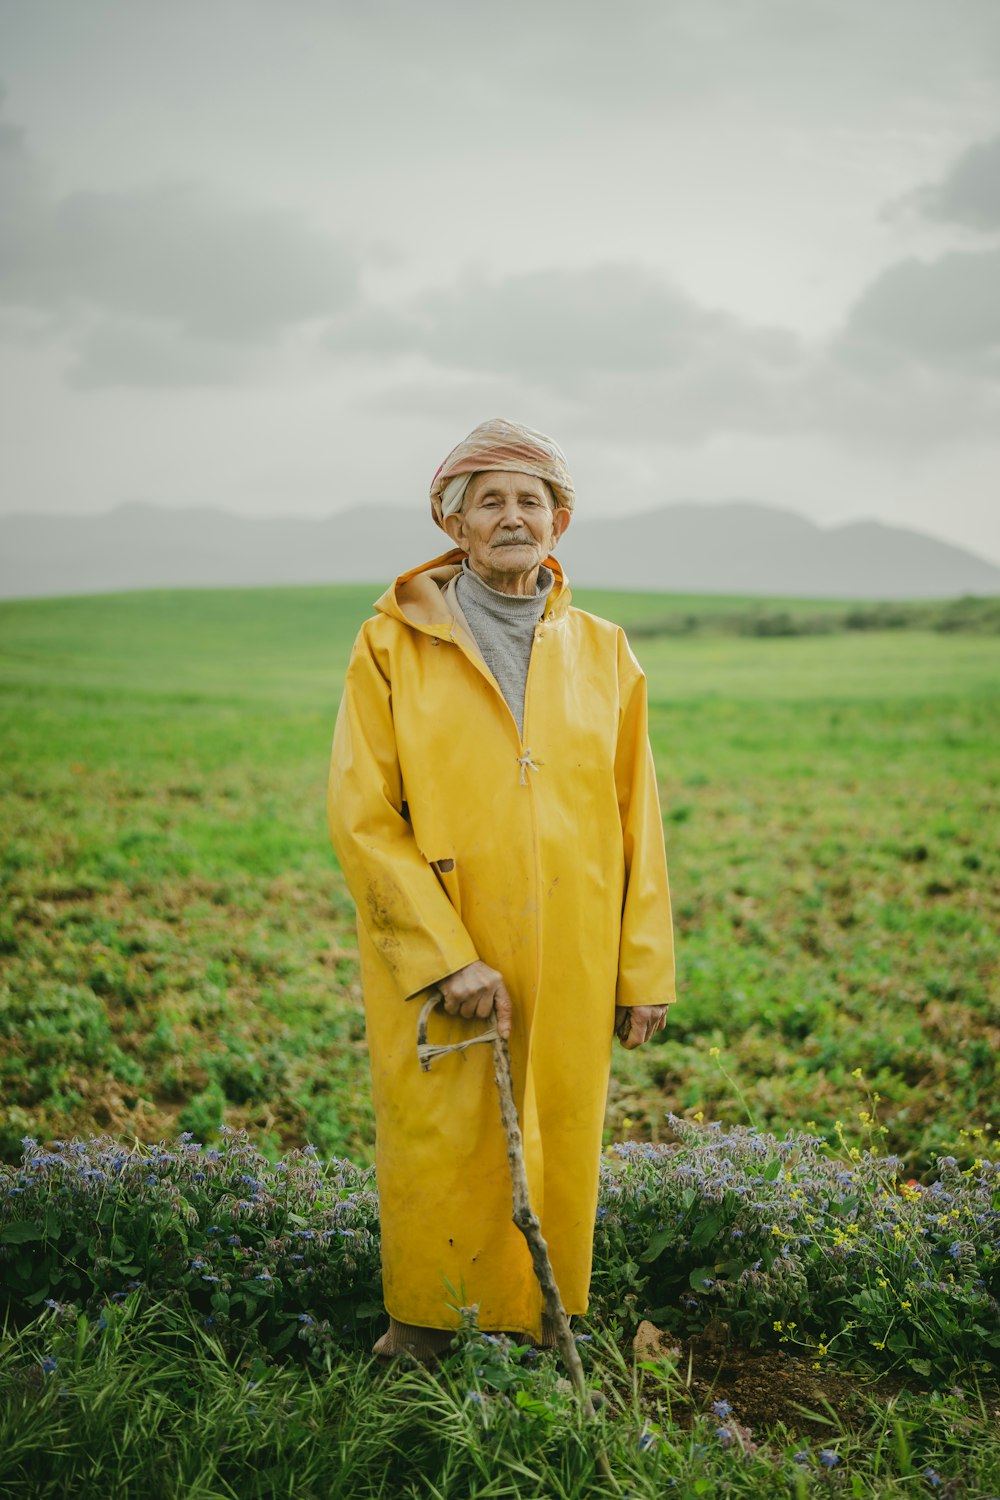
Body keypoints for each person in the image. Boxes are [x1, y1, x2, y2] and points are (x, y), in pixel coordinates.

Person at [327, 417, 675, 1359]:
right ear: (456, 522)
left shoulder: (606, 651)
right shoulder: (392, 645)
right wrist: (447, 957)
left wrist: (642, 968)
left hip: (573, 943)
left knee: (556, 1136)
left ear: (559, 524)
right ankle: (420, 1340)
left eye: (531, 500)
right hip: (452, 943)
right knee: (443, 1139)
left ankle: (537, 1331)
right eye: (491, 501)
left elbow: (635, 808)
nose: (513, 516)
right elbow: (365, 815)